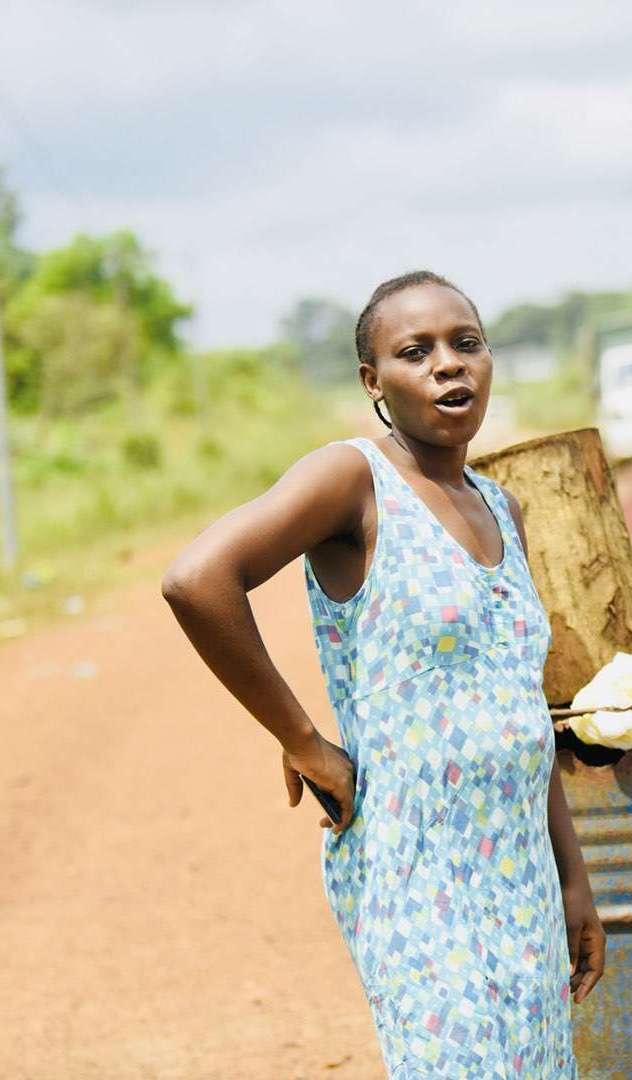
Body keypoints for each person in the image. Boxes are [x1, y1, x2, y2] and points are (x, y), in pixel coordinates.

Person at [161, 270, 603, 1076]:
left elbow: (519, 709)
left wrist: (573, 879)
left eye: (466, 343)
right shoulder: (353, 480)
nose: (448, 365)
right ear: (374, 382)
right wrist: (303, 740)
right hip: (420, 876)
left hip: (522, 875)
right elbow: (197, 579)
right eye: (415, 351)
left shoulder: (502, 508)